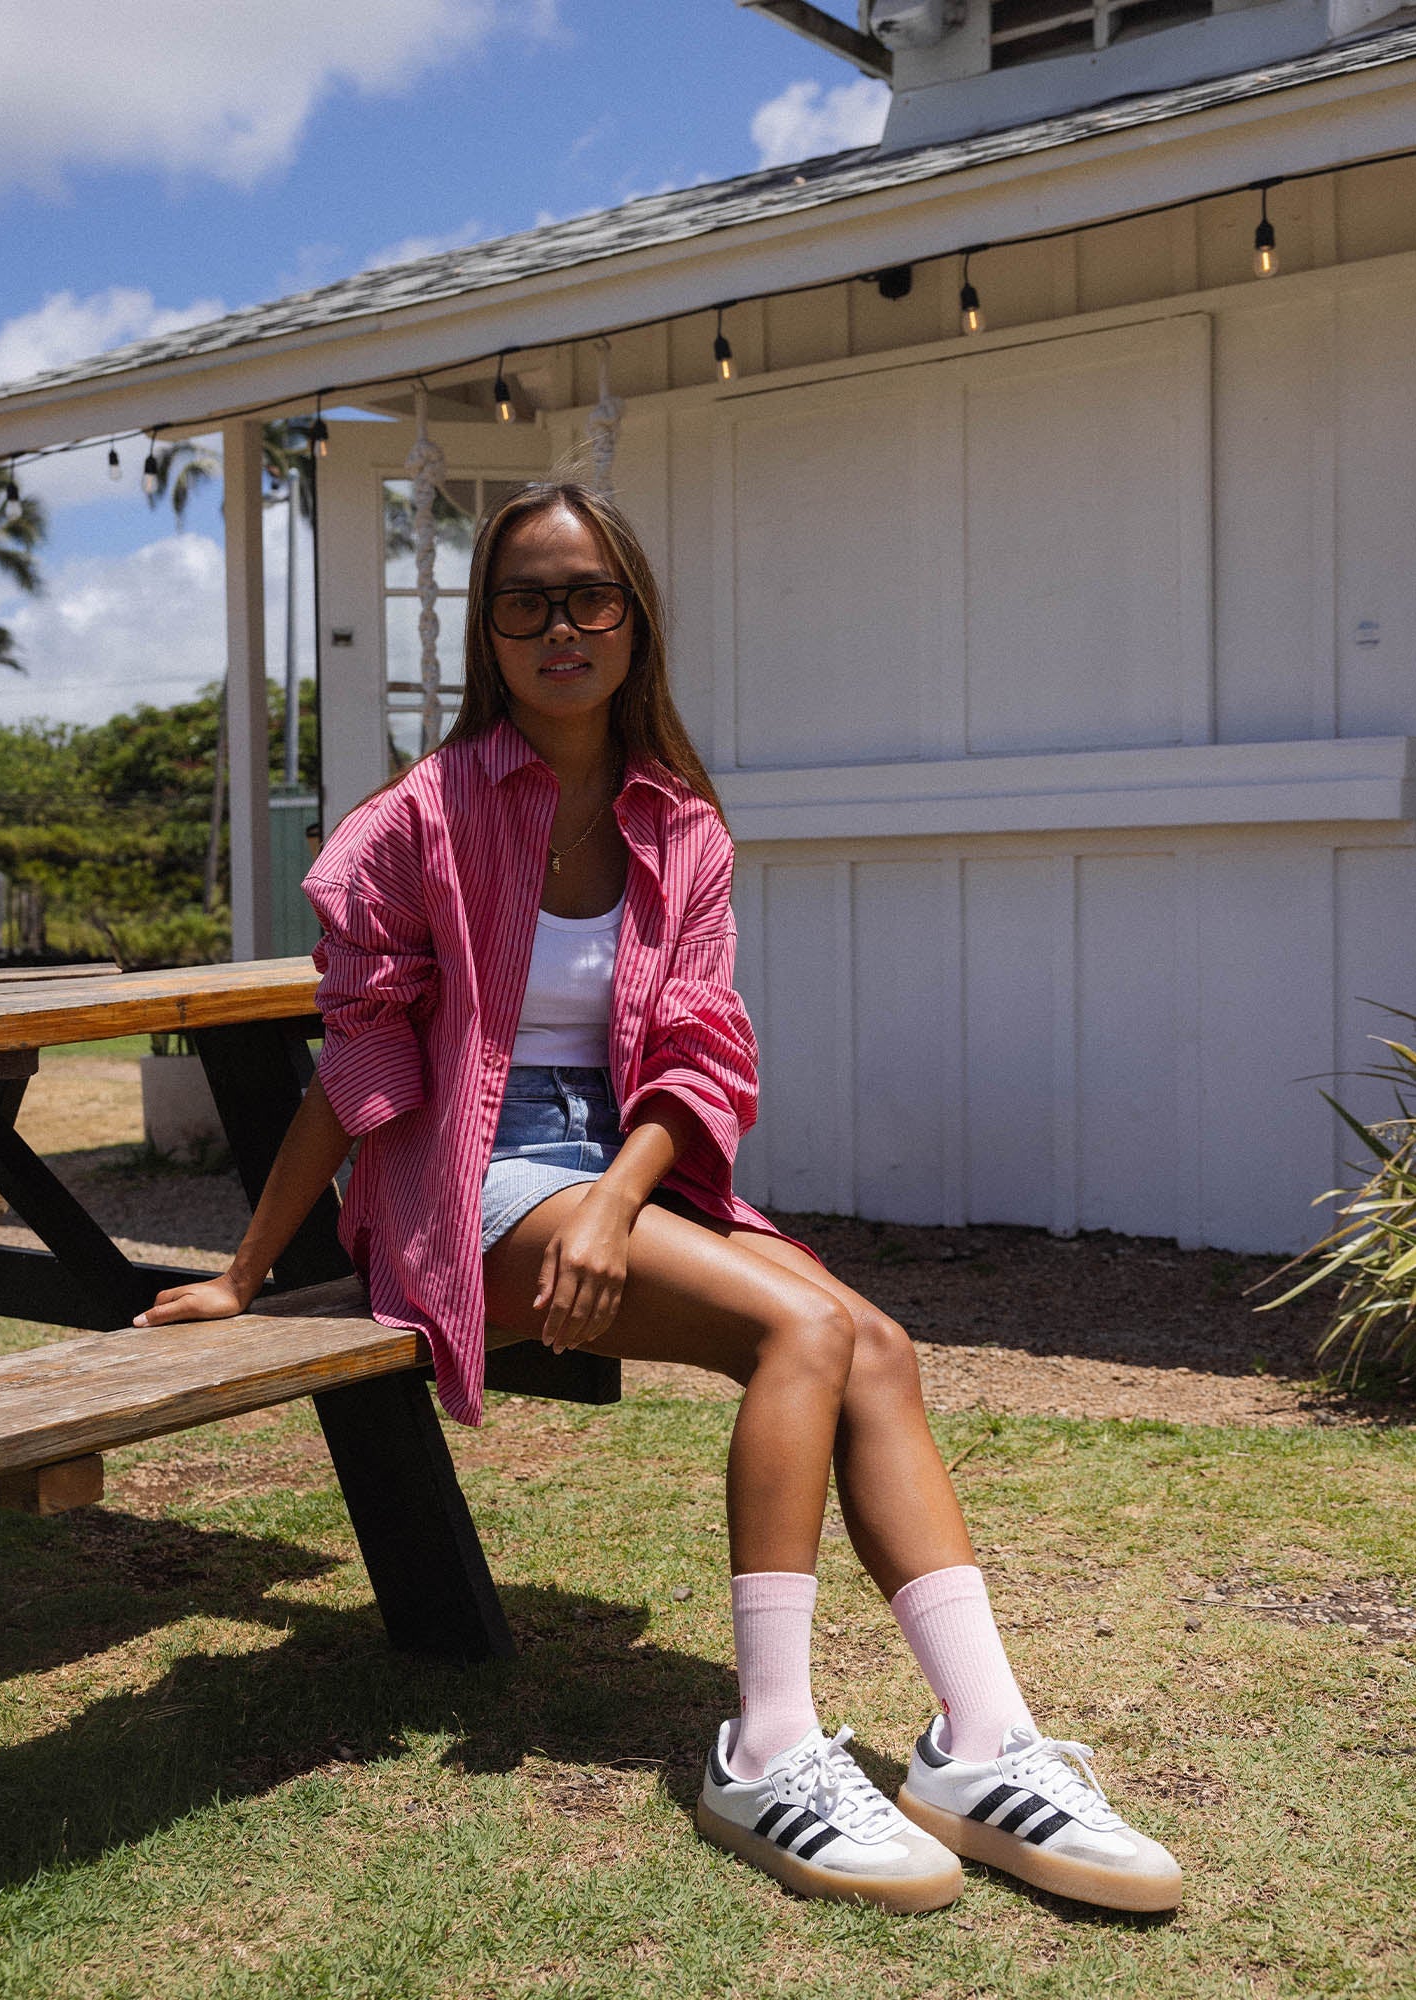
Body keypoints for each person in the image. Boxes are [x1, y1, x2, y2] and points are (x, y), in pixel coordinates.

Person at [137, 480, 1181, 1917]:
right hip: (465, 1173)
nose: (558, 627)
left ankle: (984, 1741)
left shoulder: (679, 825)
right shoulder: (414, 820)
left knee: (877, 1343)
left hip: (614, 1167)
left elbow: (698, 1047)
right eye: (524, 601)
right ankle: (764, 1749)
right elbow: (359, 1060)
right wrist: (250, 1270)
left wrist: (623, 1202)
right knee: (803, 1336)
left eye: (588, 597)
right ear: (486, 635)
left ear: (633, 619)